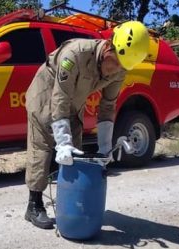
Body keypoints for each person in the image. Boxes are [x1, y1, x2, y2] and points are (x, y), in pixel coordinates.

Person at [23, 20, 152, 229]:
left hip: (75, 101)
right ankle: (34, 205)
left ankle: (70, 205)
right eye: (114, 62)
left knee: (75, 155)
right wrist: (62, 142)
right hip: (46, 95)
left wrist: (105, 147)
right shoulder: (75, 55)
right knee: (43, 148)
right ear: (108, 47)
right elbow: (60, 97)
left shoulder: (120, 69)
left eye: (122, 66)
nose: (115, 70)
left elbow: (108, 106)